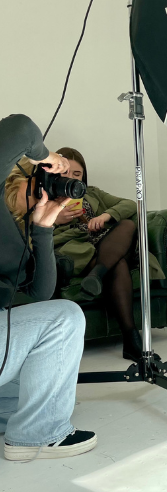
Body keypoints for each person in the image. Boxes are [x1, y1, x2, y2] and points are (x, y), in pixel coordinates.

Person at [0, 114, 96, 461]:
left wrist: (42, 228)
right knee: (67, 316)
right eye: (45, 180)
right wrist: (49, 158)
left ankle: (29, 421)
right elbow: (20, 127)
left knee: (38, 392)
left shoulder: (20, 234)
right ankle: (35, 436)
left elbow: (40, 297)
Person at [9, 147, 165, 362]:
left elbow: (129, 204)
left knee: (127, 225)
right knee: (118, 265)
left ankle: (98, 276)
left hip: (104, 246)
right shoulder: (43, 199)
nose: (71, 179)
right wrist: (55, 218)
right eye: (65, 174)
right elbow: (32, 235)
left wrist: (106, 215)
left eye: (77, 174)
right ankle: (131, 339)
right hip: (79, 254)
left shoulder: (92, 193)